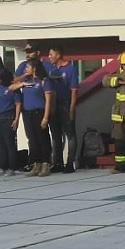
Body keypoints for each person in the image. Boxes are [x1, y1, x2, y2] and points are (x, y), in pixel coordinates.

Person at [11, 59, 54, 177]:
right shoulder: (26, 80)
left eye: (28, 67)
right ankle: (36, 164)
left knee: (42, 138)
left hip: (39, 112)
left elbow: (48, 101)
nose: (25, 69)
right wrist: (23, 81)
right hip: (27, 113)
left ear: (34, 68)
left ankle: (46, 164)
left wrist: (45, 117)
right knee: (32, 139)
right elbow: (11, 86)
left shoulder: (44, 81)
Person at [45, 44, 79, 174]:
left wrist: (71, 109)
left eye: (51, 54)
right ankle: (57, 162)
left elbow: (74, 90)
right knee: (55, 135)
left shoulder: (70, 68)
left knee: (70, 134)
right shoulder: (49, 67)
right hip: (53, 104)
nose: (49, 57)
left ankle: (70, 163)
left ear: (58, 55)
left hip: (65, 103)